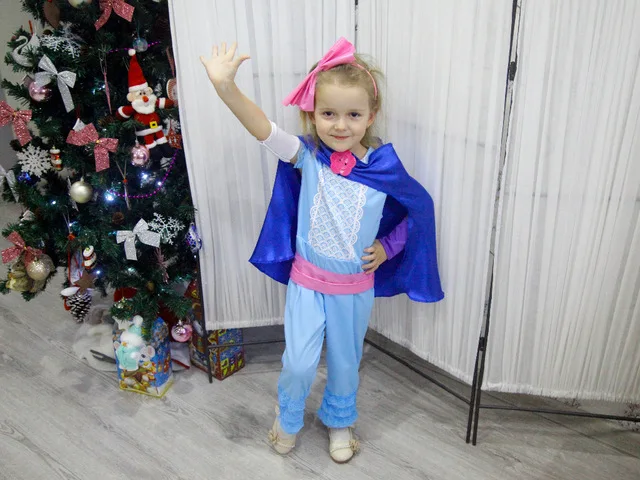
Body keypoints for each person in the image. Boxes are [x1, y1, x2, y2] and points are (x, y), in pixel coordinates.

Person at [200, 38, 443, 464]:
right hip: (307, 283)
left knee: (346, 362)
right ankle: (288, 416)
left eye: (353, 115)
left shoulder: (383, 167)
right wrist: (226, 88)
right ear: (312, 114)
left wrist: (388, 247)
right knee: (298, 362)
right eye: (328, 113)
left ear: (371, 115)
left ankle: (340, 420)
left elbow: (418, 209)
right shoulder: (307, 156)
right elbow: (262, 129)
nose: (340, 125)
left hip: (354, 288)